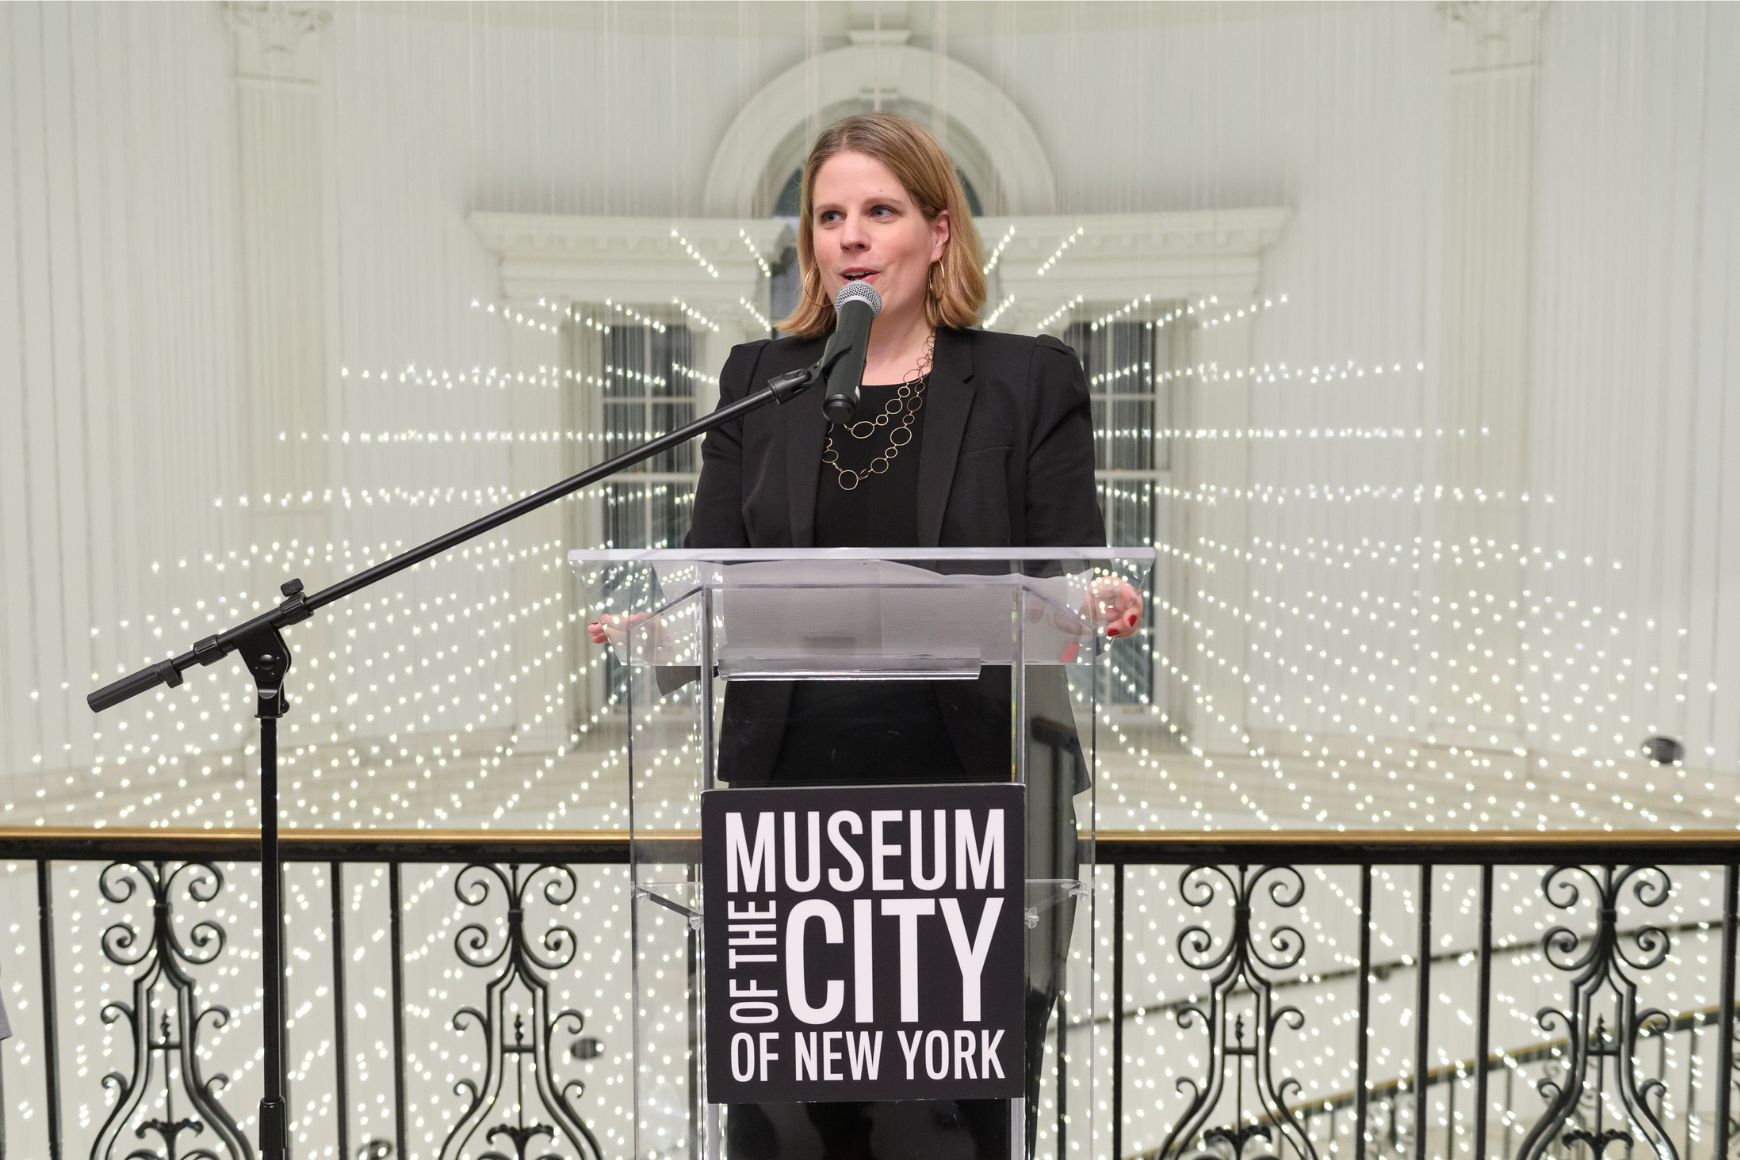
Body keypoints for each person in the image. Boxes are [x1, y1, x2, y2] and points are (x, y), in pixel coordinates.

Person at [591, 111, 1142, 1159]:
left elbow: (1076, 562)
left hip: (971, 804)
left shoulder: (1027, 379)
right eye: (830, 214)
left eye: (879, 211)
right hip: (788, 810)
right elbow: (715, 573)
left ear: (939, 232)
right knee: (790, 1116)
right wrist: (652, 625)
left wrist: (1104, 593)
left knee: (950, 1119)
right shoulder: (762, 379)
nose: (850, 233)